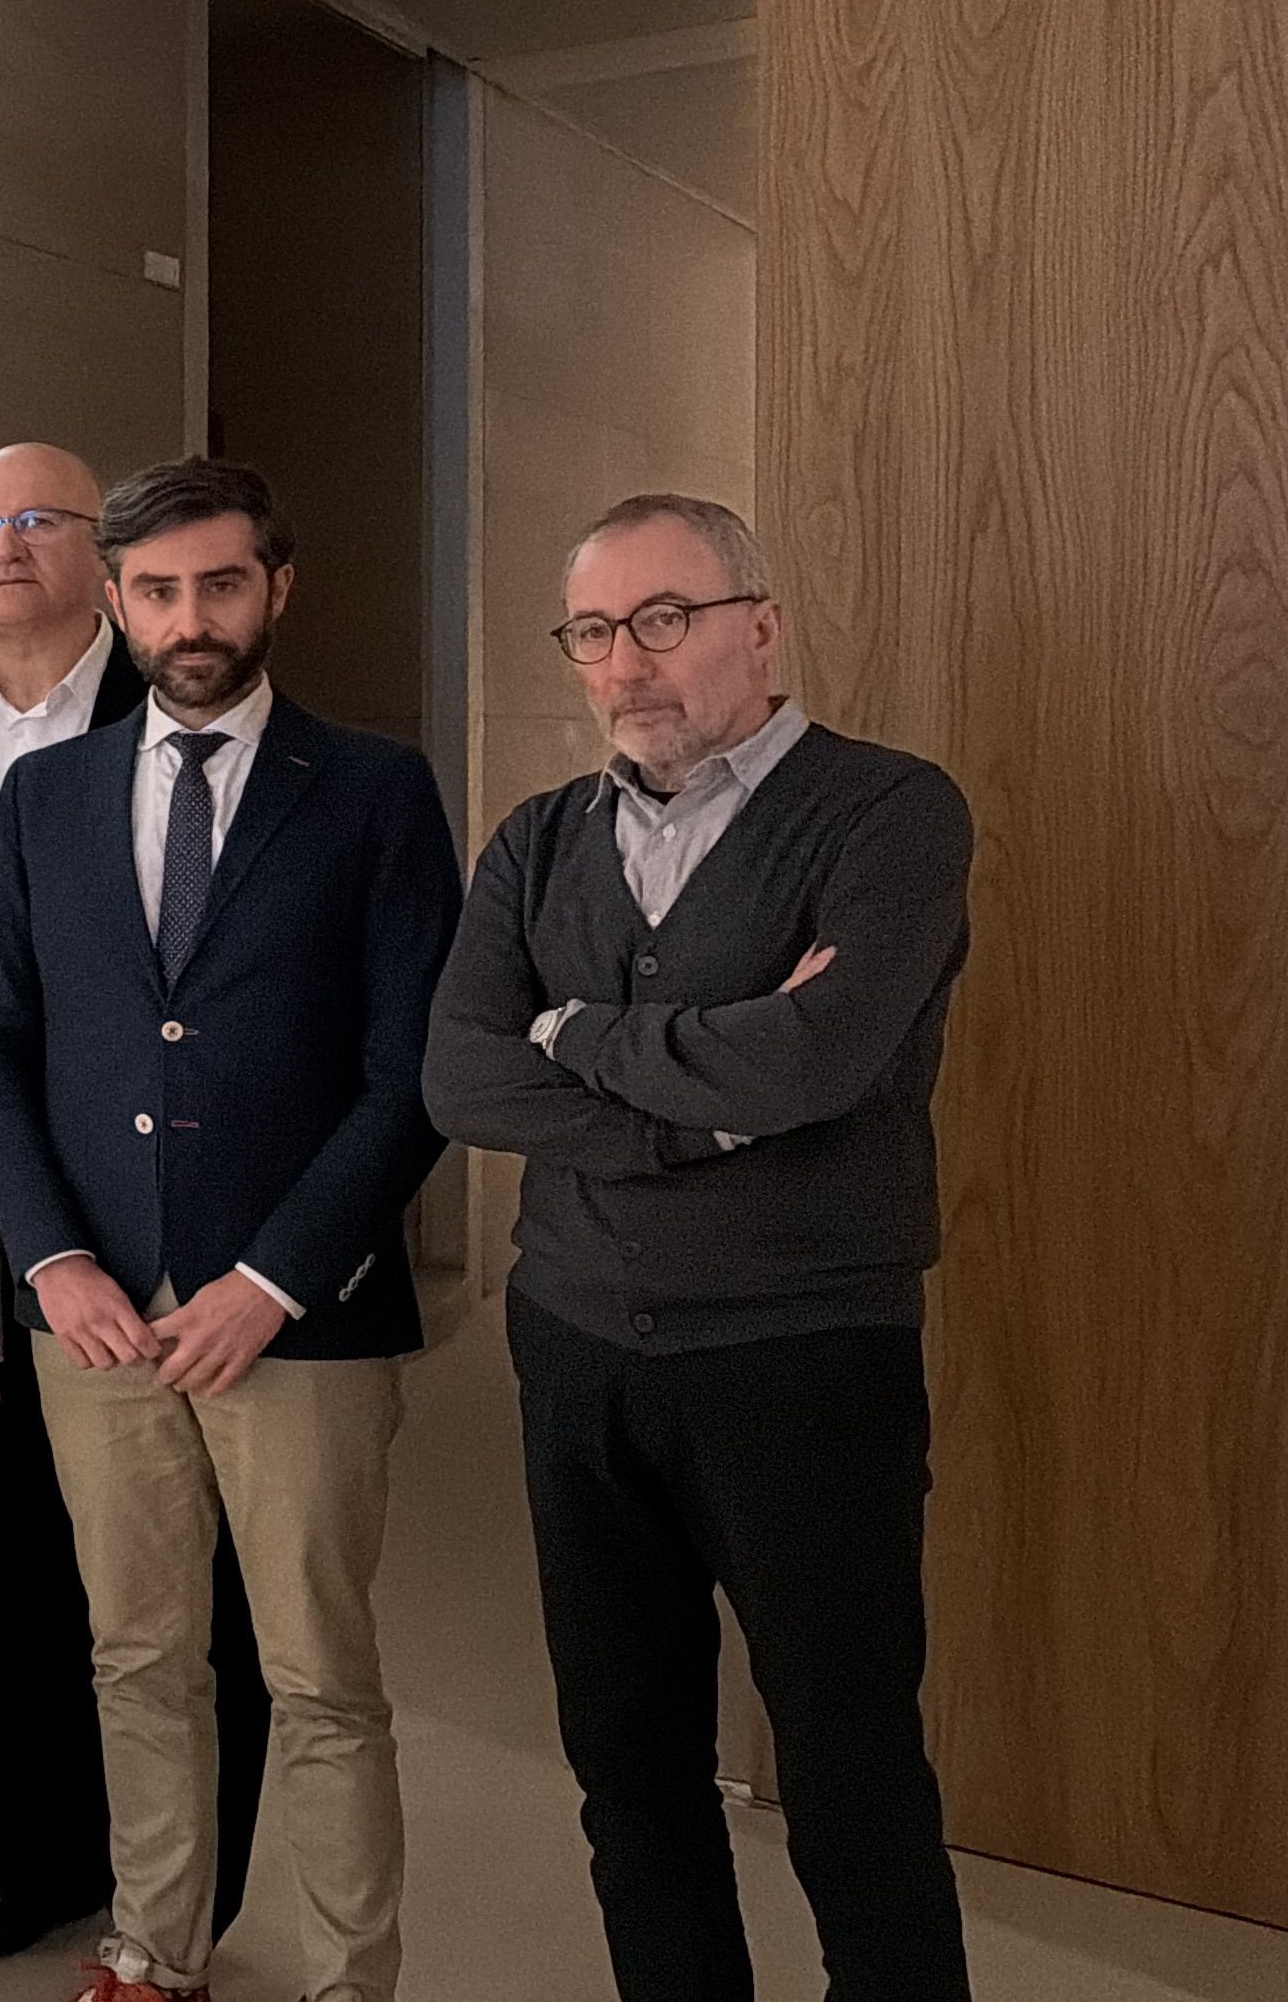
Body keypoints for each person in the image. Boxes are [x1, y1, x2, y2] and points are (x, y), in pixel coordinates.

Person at [423, 495, 975, 2002]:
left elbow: (813, 1063)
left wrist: (579, 1033)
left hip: (801, 1359)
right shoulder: (539, 839)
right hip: (576, 1349)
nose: (627, 664)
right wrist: (702, 1107)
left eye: (665, 619)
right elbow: (461, 1078)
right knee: (629, 1766)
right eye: (595, 632)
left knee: (849, 1767)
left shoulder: (889, 813)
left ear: (761, 626)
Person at [0, 457, 459, 2002]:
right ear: (115, 600)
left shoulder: (375, 791)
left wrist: (274, 1279)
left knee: (317, 1680)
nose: (191, 619)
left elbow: (416, 1070)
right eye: (159, 591)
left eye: (221, 584)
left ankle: (348, 1978)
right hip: (95, 1312)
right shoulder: (46, 799)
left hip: (297, 1314)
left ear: (277, 587)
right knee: (136, 1658)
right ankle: (153, 1947)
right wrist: (51, 1260)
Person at [0, 445, 272, 1963]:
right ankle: (27, 1846)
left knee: (181, 1568)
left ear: (102, 559)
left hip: (149, 1198)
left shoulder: (170, 691)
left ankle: (185, 1887)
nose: (5, 546)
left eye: (38, 520)